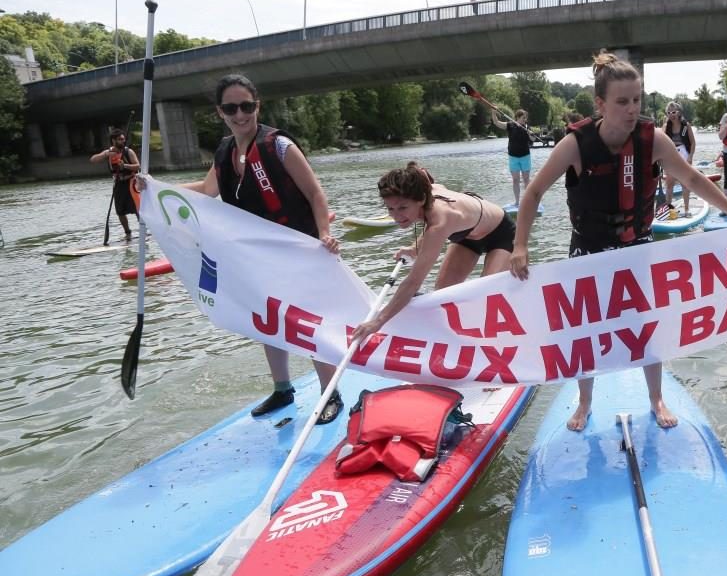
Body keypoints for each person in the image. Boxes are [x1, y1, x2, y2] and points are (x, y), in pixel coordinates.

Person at [510, 50, 727, 431]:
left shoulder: (654, 139)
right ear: (600, 104)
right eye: (622, 102)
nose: (632, 109)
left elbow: (694, 180)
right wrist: (520, 246)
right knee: (585, 330)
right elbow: (532, 194)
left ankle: (656, 397)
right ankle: (584, 401)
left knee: (648, 324)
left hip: (637, 245)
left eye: (637, 100)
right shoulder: (576, 145)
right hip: (588, 251)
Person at [138, 74, 342, 423]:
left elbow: (315, 194)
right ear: (220, 112)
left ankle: (330, 394)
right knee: (267, 321)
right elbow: (206, 190)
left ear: (257, 106)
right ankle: (282, 390)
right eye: (231, 108)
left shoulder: (279, 146)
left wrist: (324, 233)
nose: (240, 114)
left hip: (298, 246)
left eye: (246, 106)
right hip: (256, 255)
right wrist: (153, 188)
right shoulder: (224, 151)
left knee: (307, 323)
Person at [349, 163, 516, 343]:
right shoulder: (424, 191)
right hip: (467, 236)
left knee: (487, 294)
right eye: (390, 209)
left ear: (420, 199)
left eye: (403, 208)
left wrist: (378, 321)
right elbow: (423, 175)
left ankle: (498, 341)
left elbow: (413, 282)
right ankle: (452, 340)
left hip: (501, 233)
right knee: (443, 294)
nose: (396, 216)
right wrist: (414, 248)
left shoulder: (439, 222)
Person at [90, 128, 140, 240]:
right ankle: (128, 233)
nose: (123, 141)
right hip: (118, 184)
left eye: (123, 139)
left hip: (131, 182)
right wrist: (106, 154)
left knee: (137, 208)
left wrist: (125, 166)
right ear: (113, 141)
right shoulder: (109, 153)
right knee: (120, 211)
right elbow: (93, 160)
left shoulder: (128, 152)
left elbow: (137, 166)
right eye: (120, 140)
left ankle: (144, 230)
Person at [660, 101, 697, 215]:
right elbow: (661, 143)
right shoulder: (666, 126)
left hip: (684, 155)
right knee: (669, 184)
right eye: (669, 112)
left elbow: (693, 143)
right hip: (670, 155)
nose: (672, 114)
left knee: (685, 183)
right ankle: (669, 210)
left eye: (674, 112)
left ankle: (686, 209)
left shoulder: (686, 125)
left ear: (679, 112)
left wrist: (690, 157)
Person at [492, 108, 532, 206]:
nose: (525, 120)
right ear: (517, 117)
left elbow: (533, 138)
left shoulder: (526, 127)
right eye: (523, 118)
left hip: (525, 156)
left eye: (525, 118)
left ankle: (527, 201)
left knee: (526, 179)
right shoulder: (510, 125)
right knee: (515, 180)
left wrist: (530, 134)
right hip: (513, 157)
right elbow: (496, 122)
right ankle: (517, 202)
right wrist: (493, 112)